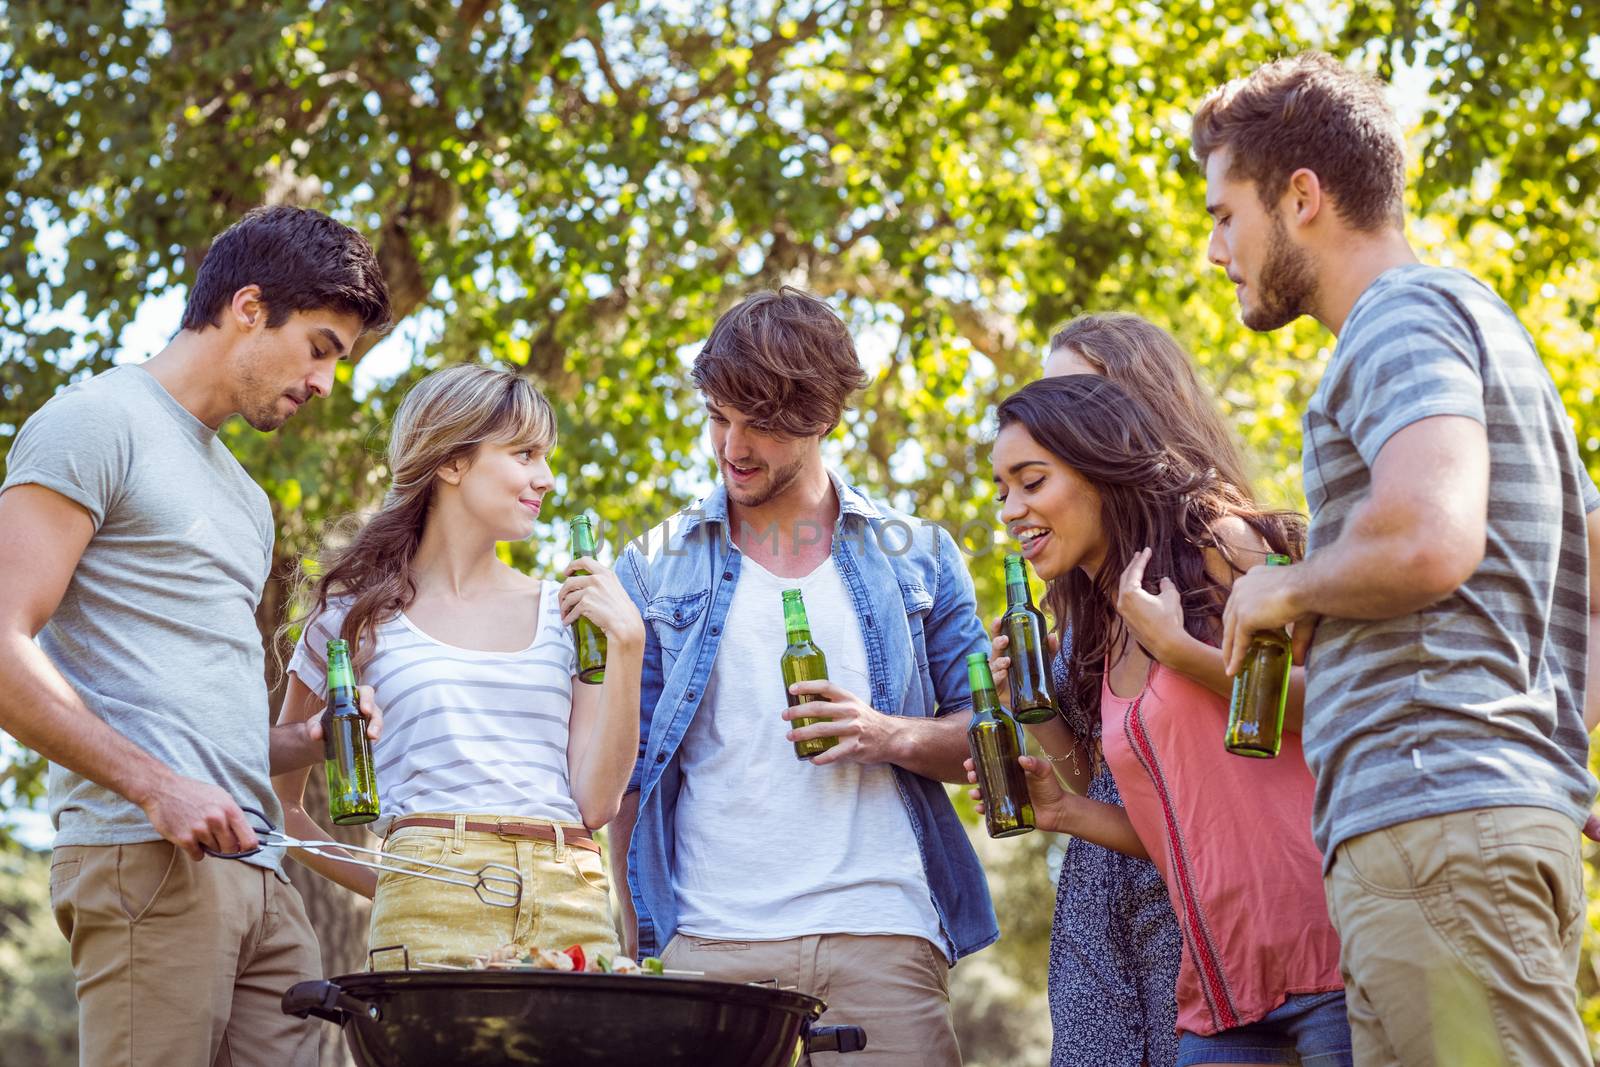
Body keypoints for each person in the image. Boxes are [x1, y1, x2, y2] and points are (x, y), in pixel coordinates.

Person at [1193, 51, 1600, 1065]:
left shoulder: (1398, 318)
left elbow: (1429, 533)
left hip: (1433, 819)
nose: (1215, 250)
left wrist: (1279, 583)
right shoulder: (1483, 327)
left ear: (1301, 197)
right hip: (1474, 815)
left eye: (1223, 213)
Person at [0, 205, 391, 1066]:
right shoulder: (96, 421)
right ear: (250, 307)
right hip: (146, 857)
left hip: (259, 870)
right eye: (322, 346)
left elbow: (204, 728)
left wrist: (309, 740)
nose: (326, 382)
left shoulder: (248, 502)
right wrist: (154, 786)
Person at [608, 287, 996, 1065]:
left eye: (764, 423)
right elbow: (627, 776)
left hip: (881, 936)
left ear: (824, 418)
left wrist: (886, 734)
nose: (733, 445)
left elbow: (990, 743)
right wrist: (637, 938)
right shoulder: (652, 567)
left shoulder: (916, 554)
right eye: (720, 415)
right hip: (711, 948)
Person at [986, 374, 1350, 1066]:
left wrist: (1180, 651)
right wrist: (1064, 809)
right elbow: (1177, 831)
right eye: (1002, 489)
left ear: (1097, 465)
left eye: (1031, 481)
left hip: (1331, 953)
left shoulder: (1221, 544)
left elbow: (1343, 699)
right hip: (1221, 991)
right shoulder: (1103, 627)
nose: (1011, 508)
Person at [274, 363, 642, 967]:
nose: (546, 478)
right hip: (429, 913)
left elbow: (596, 804)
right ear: (451, 462)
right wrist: (397, 883)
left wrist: (628, 646)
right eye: (524, 454)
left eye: (546, 457)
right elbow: (280, 802)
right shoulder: (353, 616)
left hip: (572, 904)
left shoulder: (567, 611)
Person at [992, 311, 1265, 1067]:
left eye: (1078, 396)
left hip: (1209, 903)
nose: (1055, 421)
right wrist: (1037, 706)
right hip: (1104, 895)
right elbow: (1104, 777)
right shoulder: (1081, 594)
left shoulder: (1220, 544)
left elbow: (1321, 707)